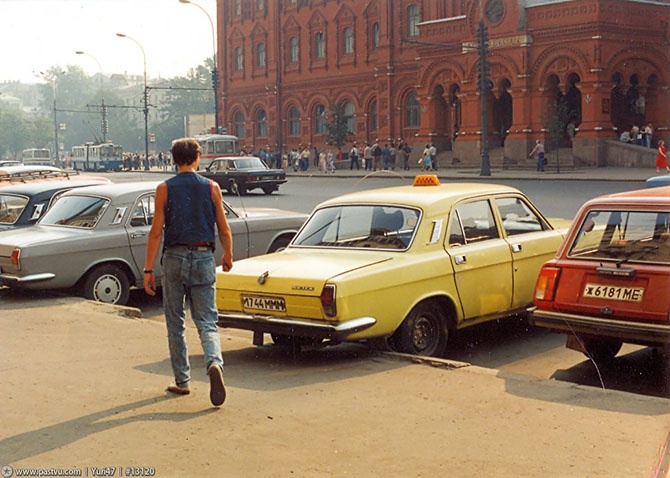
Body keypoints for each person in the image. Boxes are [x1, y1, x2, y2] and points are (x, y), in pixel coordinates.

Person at [143, 138, 233, 407]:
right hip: (204, 255)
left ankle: (182, 381)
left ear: (173, 159)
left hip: (174, 257)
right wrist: (228, 255)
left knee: (175, 321)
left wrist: (148, 269)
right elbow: (224, 228)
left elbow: (156, 232)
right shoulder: (212, 187)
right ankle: (214, 363)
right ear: (197, 157)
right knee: (206, 320)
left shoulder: (164, 189)